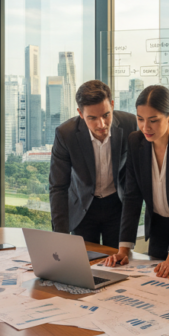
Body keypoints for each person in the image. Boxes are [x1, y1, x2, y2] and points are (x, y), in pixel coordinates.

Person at [103, 85, 169, 278]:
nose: (146, 127)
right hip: (159, 229)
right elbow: (132, 197)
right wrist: (123, 250)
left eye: (153, 120)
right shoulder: (136, 142)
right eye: (140, 119)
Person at [49, 80, 137, 248]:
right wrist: (60, 237)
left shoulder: (130, 125)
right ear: (80, 114)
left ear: (112, 105)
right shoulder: (65, 134)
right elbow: (58, 187)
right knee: (84, 265)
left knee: (119, 264)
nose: (101, 124)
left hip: (118, 206)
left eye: (106, 115)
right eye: (92, 118)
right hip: (83, 209)